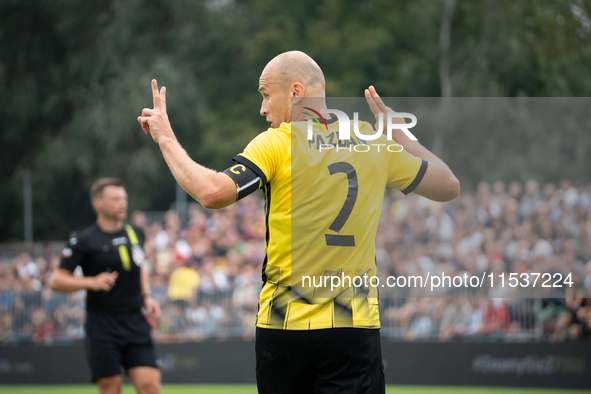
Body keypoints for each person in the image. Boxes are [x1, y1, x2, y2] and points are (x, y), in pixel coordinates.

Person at [138, 50, 459, 393]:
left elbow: (212, 192)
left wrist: (165, 138)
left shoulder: (278, 142)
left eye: (265, 95)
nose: (262, 109)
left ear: (295, 92)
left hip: (284, 328)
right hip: (353, 329)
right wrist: (402, 135)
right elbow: (448, 186)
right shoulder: (371, 141)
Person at [49, 178, 161, 394]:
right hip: (102, 325)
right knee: (111, 389)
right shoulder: (83, 241)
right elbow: (56, 280)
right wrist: (91, 282)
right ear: (97, 204)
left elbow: (141, 267)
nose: (123, 203)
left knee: (150, 387)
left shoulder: (136, 233)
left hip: (135, 321)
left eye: (124, 198)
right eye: (116, 199)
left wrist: (147, 296)